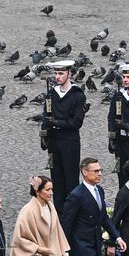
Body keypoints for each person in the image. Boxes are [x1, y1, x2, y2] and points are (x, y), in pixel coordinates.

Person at [42, 60, 86, 212]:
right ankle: (59, 214)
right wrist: (44, 134)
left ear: (70, 74)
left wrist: (57, 122)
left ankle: (72, 213)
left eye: (61, 73)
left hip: (69, 142)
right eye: (56, 73)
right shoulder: (51, 94)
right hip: (54, 142)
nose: (57, 76)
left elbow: (76, 122)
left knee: (70, 179)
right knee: (57, 180)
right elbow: (45, 115)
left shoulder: (77, 95)